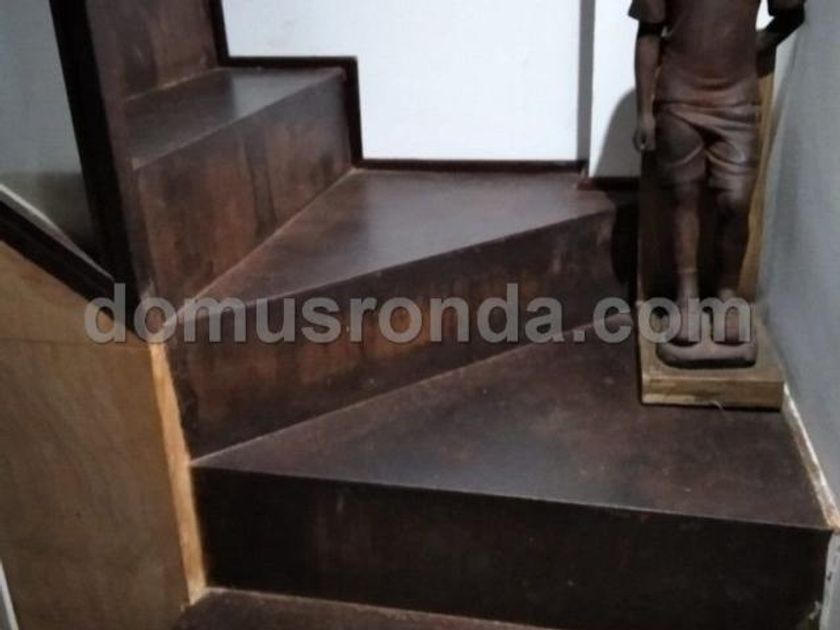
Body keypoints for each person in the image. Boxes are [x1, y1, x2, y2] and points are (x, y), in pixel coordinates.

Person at [631, 0, 805, 346]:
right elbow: (648, 34)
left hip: (737, 100)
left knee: (737, 201)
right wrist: (644, 112)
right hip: (679, 97)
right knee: (683, 196)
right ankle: (688, 296)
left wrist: (756, 45)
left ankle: (727, 293)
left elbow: (791, 11)